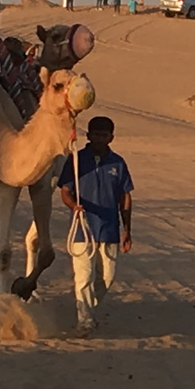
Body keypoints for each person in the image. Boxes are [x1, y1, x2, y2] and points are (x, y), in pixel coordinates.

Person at [58, 115, 134, 337]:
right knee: (84, 277)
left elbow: (125, 196)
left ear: (111, 137)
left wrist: (127, 229)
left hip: (109, 229)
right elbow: (65, 190)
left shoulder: (118, 163)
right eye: (96, 134)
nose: (100, 139)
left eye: (105, 135)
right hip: (82, 229)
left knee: (106, 278)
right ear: (88, 135)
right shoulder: (76, 160)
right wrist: (74, 206)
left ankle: (87, 308)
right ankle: (85, 321)